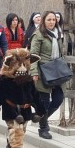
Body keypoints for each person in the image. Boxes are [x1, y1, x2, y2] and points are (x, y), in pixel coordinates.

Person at [0, 48, 39, 148]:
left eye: (24, 64)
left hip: (25, 109)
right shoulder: (4, 81)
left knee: (22, 130)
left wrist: (39, 108)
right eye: (19, 65)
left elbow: (34, 95)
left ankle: (11, 142)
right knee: (16, 129)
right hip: (11, 109)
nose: (22, 68)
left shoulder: (28, 80)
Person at [29, 11, 65, 140]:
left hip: (56, 69)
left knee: (58, 98)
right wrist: (34, 72)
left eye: (54, 20)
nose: (52, 22)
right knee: (44, 101)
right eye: (49, 19)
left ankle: (39, 116)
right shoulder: (38, 34)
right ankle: (44, 128)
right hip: (42, 70)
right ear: (44, 20)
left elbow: (61, 53)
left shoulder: (58, 34)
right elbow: (33, 55)